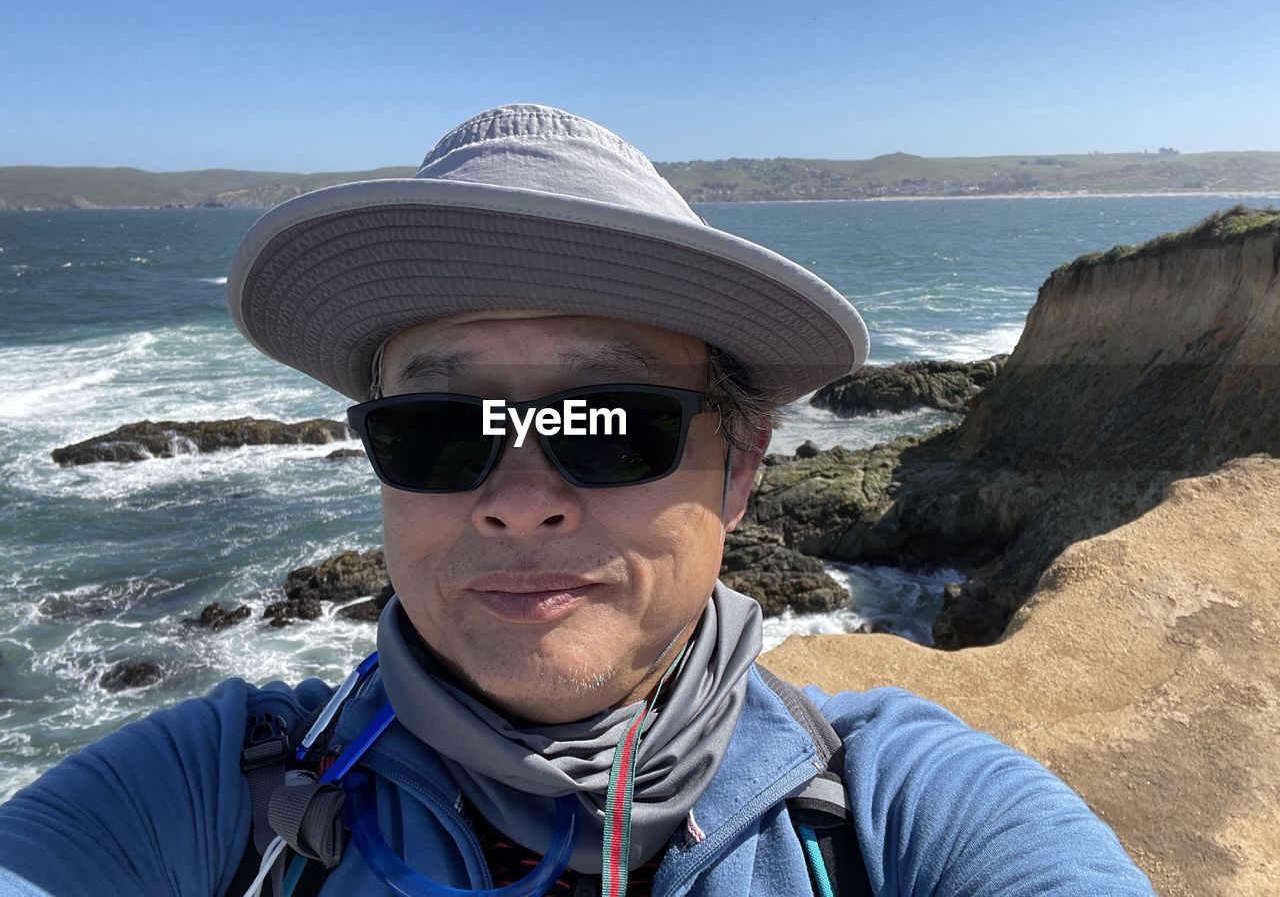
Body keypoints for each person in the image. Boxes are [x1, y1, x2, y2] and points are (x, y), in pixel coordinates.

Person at [0, 104, 1155, 896]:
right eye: (442, 431)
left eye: (609, 423)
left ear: (742, 466)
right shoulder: (219, 790)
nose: (519, 500)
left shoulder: (893, 809)